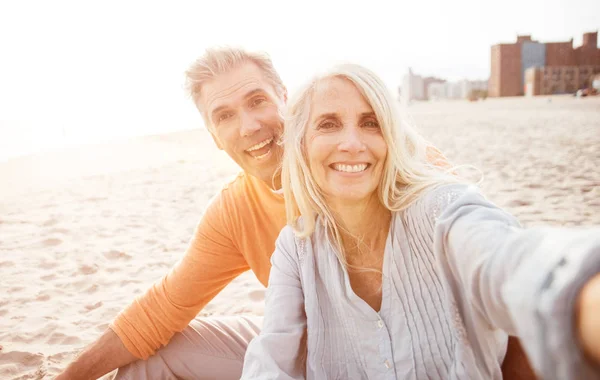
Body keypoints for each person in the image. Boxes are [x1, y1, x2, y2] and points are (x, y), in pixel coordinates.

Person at [56, 47, 531, 380]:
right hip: (306, 348)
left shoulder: (383, 159)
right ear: (212, 135)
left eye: (258, 100)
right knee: (151, 359)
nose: (250, 125)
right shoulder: (235, 210)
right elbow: (162, 309)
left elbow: (488, 264)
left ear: (286, 100)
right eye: (223, 115)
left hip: (412, 346)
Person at [240, 64, 600, 380]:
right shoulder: (296, 246)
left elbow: (509, 260)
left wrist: (583, 294)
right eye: (329, 124)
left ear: (392, 138)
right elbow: (272, 357)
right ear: (301, 145)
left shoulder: (441, 208)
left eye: (371, 123)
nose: (352, 143)